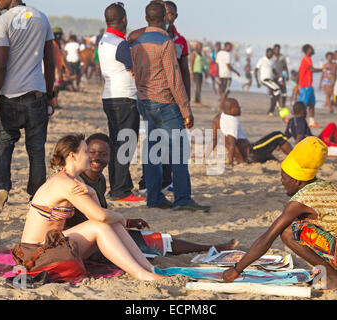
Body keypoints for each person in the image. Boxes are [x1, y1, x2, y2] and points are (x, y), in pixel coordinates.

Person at [222, 137, 337, 294]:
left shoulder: (301, 201)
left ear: (298, 181)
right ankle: (335, 275)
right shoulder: (323, 185)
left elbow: (267, 239)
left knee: (289, 232)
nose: (281, 181)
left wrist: (237, 269)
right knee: (301, 226)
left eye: (284, 178)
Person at [15, 134, 163, 281]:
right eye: (85, 152)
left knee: (108, 224)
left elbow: (100, 214)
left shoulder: (74, 179)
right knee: (101, 226)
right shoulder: (65, 183)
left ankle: (146, 268)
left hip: (51, 247)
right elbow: (101, 216)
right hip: (34, 254)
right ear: (73, 155)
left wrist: (92, 192)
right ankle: (140, 274)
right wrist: (122, 218)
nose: (89, 157)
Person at [64, 133, 239, 257]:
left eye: (103, 154)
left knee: (159, 239)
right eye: (92, 152)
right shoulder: (79, 183)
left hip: (102, 230)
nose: (96, 158)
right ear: (83, 154)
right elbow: (92, 217)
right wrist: (123, 222)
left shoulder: (99, 180)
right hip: (86, 238)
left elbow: (100, 213)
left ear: (110, 157)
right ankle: (212, 247)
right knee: (155, 242)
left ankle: (210, 247)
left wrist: (128, 222)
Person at [131, 1, 209, 212]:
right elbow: (174, 79)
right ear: (164, 18)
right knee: (179, 151)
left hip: (145, 101)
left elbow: (135, 72)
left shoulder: (136, 42)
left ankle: (154, 197)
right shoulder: (166, 42)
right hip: (165, 102)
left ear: (147, 19)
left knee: (152, 151)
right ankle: (182, 198)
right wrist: (186, 110)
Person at [0, 0, 56, 215]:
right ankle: (36, 196)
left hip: (9, 95)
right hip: (36, 94)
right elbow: (50, 60)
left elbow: (0, 64)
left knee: (5, 144)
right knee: (36, 149)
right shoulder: (41, 17)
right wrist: (50, 93)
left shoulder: (2, 20)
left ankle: (2, 188)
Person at [98, 3, 145, 202]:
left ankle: (117, 187)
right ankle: (122, 190)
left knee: (117, 144)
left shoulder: (104, 40)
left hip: (110, 96)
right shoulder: (120, 44)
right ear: (124, 20)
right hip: (124, 98)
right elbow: (137, 68)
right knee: (126, 144)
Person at [210, 98, 293, 167]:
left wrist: (206, 155)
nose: (239, 108)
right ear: (231, 109)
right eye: (237, 107)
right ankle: (295, 158)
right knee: (278, 135)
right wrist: (231, 162)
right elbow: (232, 144)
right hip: (252, 153)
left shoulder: (217, 118)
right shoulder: (232, 121)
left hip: (249, 155)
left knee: (267, 150)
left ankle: (276, 160)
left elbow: (214, 139)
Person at [298, 44, 323, 128]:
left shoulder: (308, 59)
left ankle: (311, 121)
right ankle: (299, 121)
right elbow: (311, 69)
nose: (313, 49)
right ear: (308, 50)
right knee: (303, 105)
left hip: (309, 85)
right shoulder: (306, 59)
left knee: (312, 104)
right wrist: (322, 69)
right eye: (312, 48)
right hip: (305, 85)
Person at [254, 48, 283, 116]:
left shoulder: (272, 61)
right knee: (277, 89)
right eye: (270, 53)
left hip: (271, 80)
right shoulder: (262, 60)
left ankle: (272, 110)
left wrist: (279, 78)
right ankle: (276, 107)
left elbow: (274, 70)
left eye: (272, 53)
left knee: (274, 95)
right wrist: (257, 82)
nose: (271, 54)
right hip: (264, 79)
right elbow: (255, 70)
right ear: (266, 53)